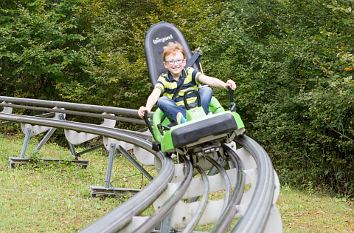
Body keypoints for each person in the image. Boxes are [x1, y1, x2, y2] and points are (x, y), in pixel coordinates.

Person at [138, 41, 236, 124]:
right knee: (162, 100)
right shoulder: (164, 79)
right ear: (166, 65)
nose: (175, 64)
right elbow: (155, 93)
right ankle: (184, 120)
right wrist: (147, 108)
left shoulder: (189, 72)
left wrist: (225, 85)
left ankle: (201, 115)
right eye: (171, 61)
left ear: (184, 62)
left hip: (197, 108)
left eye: (178, 60)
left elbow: (207, 79)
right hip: (179, 110)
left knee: (206, 90)